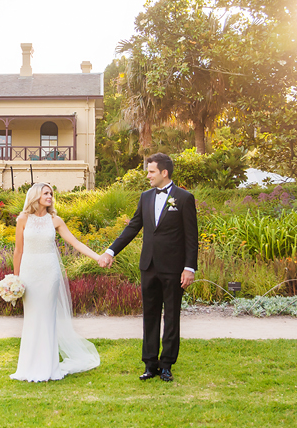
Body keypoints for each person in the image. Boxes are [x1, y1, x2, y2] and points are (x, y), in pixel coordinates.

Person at [102, 153, 198, 382]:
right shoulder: (145, 197)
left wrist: (189, 268)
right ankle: (149, 364)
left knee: (172, 316)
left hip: (174, 268)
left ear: (164, 173)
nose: (148, 176)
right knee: (150, 315)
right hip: (149, 266)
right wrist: (110, 251)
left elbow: (191, 238)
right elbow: (133, 227)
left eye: (151, 172)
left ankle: (167, 365)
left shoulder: (184, 198)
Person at [10, 182, 102, 382]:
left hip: (49, 273)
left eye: (51, 193)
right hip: (29, 272)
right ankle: (28, 367)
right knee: (32, 318)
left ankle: (49, 367)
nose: (50, 196)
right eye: (46, 193)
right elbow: (18, 251)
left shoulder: (55, 220)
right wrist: (14, 278)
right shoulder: (23, 219)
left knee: (47, 317)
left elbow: (75, 243)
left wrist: (98, 257)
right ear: (36, 196)